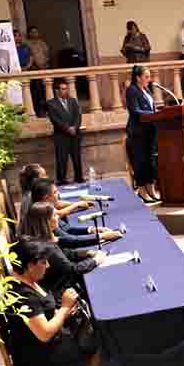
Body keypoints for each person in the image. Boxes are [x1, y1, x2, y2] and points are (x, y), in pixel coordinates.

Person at [3, 240, 102, 366]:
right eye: (43, 262)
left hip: (48, 346)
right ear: (29, 265)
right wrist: (64, 308)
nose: (48, 266)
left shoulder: (30, 282)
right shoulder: (23, 296)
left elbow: (43, 316)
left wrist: (63, 312)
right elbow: (44, 333)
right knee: (103, 343)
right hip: (40, 361)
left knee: (97, 332)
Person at [20, 202, 105, 297]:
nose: (58, 217)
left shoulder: (42, 237)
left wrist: (86, 253)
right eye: (55, 215)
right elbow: (72, 270)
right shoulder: (46, 246)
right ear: (46, 221)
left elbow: (65, 253)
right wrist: (96, 260)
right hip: (59, 292)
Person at [23, 178, 122, 248]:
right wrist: (102, 236)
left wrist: (92, 229)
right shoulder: (43, 214)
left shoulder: (45, 208)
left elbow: (68, 229)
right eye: (55, 192)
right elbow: (71, 240)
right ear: (46, 198)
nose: (59, 194)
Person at [125, 65, 160, 202]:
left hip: (150, 131)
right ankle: (141, 192)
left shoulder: (146, 90)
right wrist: (154, 115)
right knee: (140, 162)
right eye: (146, 76)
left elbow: (151, 107)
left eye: (149, 76)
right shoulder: (131, 91)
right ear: (138, 77)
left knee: (150, 162)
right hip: (138, 132)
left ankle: (151, 190)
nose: (149, 79)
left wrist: (156, 114)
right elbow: (135, 110)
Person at [46, 78, 84, 185]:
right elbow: (55, 120)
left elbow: (78, 116)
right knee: (62, 159)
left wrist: (75, 127)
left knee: (77, 157)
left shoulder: (73, 101)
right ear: (57, 91)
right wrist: (67, 129)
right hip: (61, 136)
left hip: (75, 135)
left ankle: (79, 178)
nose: (65, 91)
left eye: (66, 89)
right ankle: (62, 180)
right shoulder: (51, 103)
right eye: (63, 89)